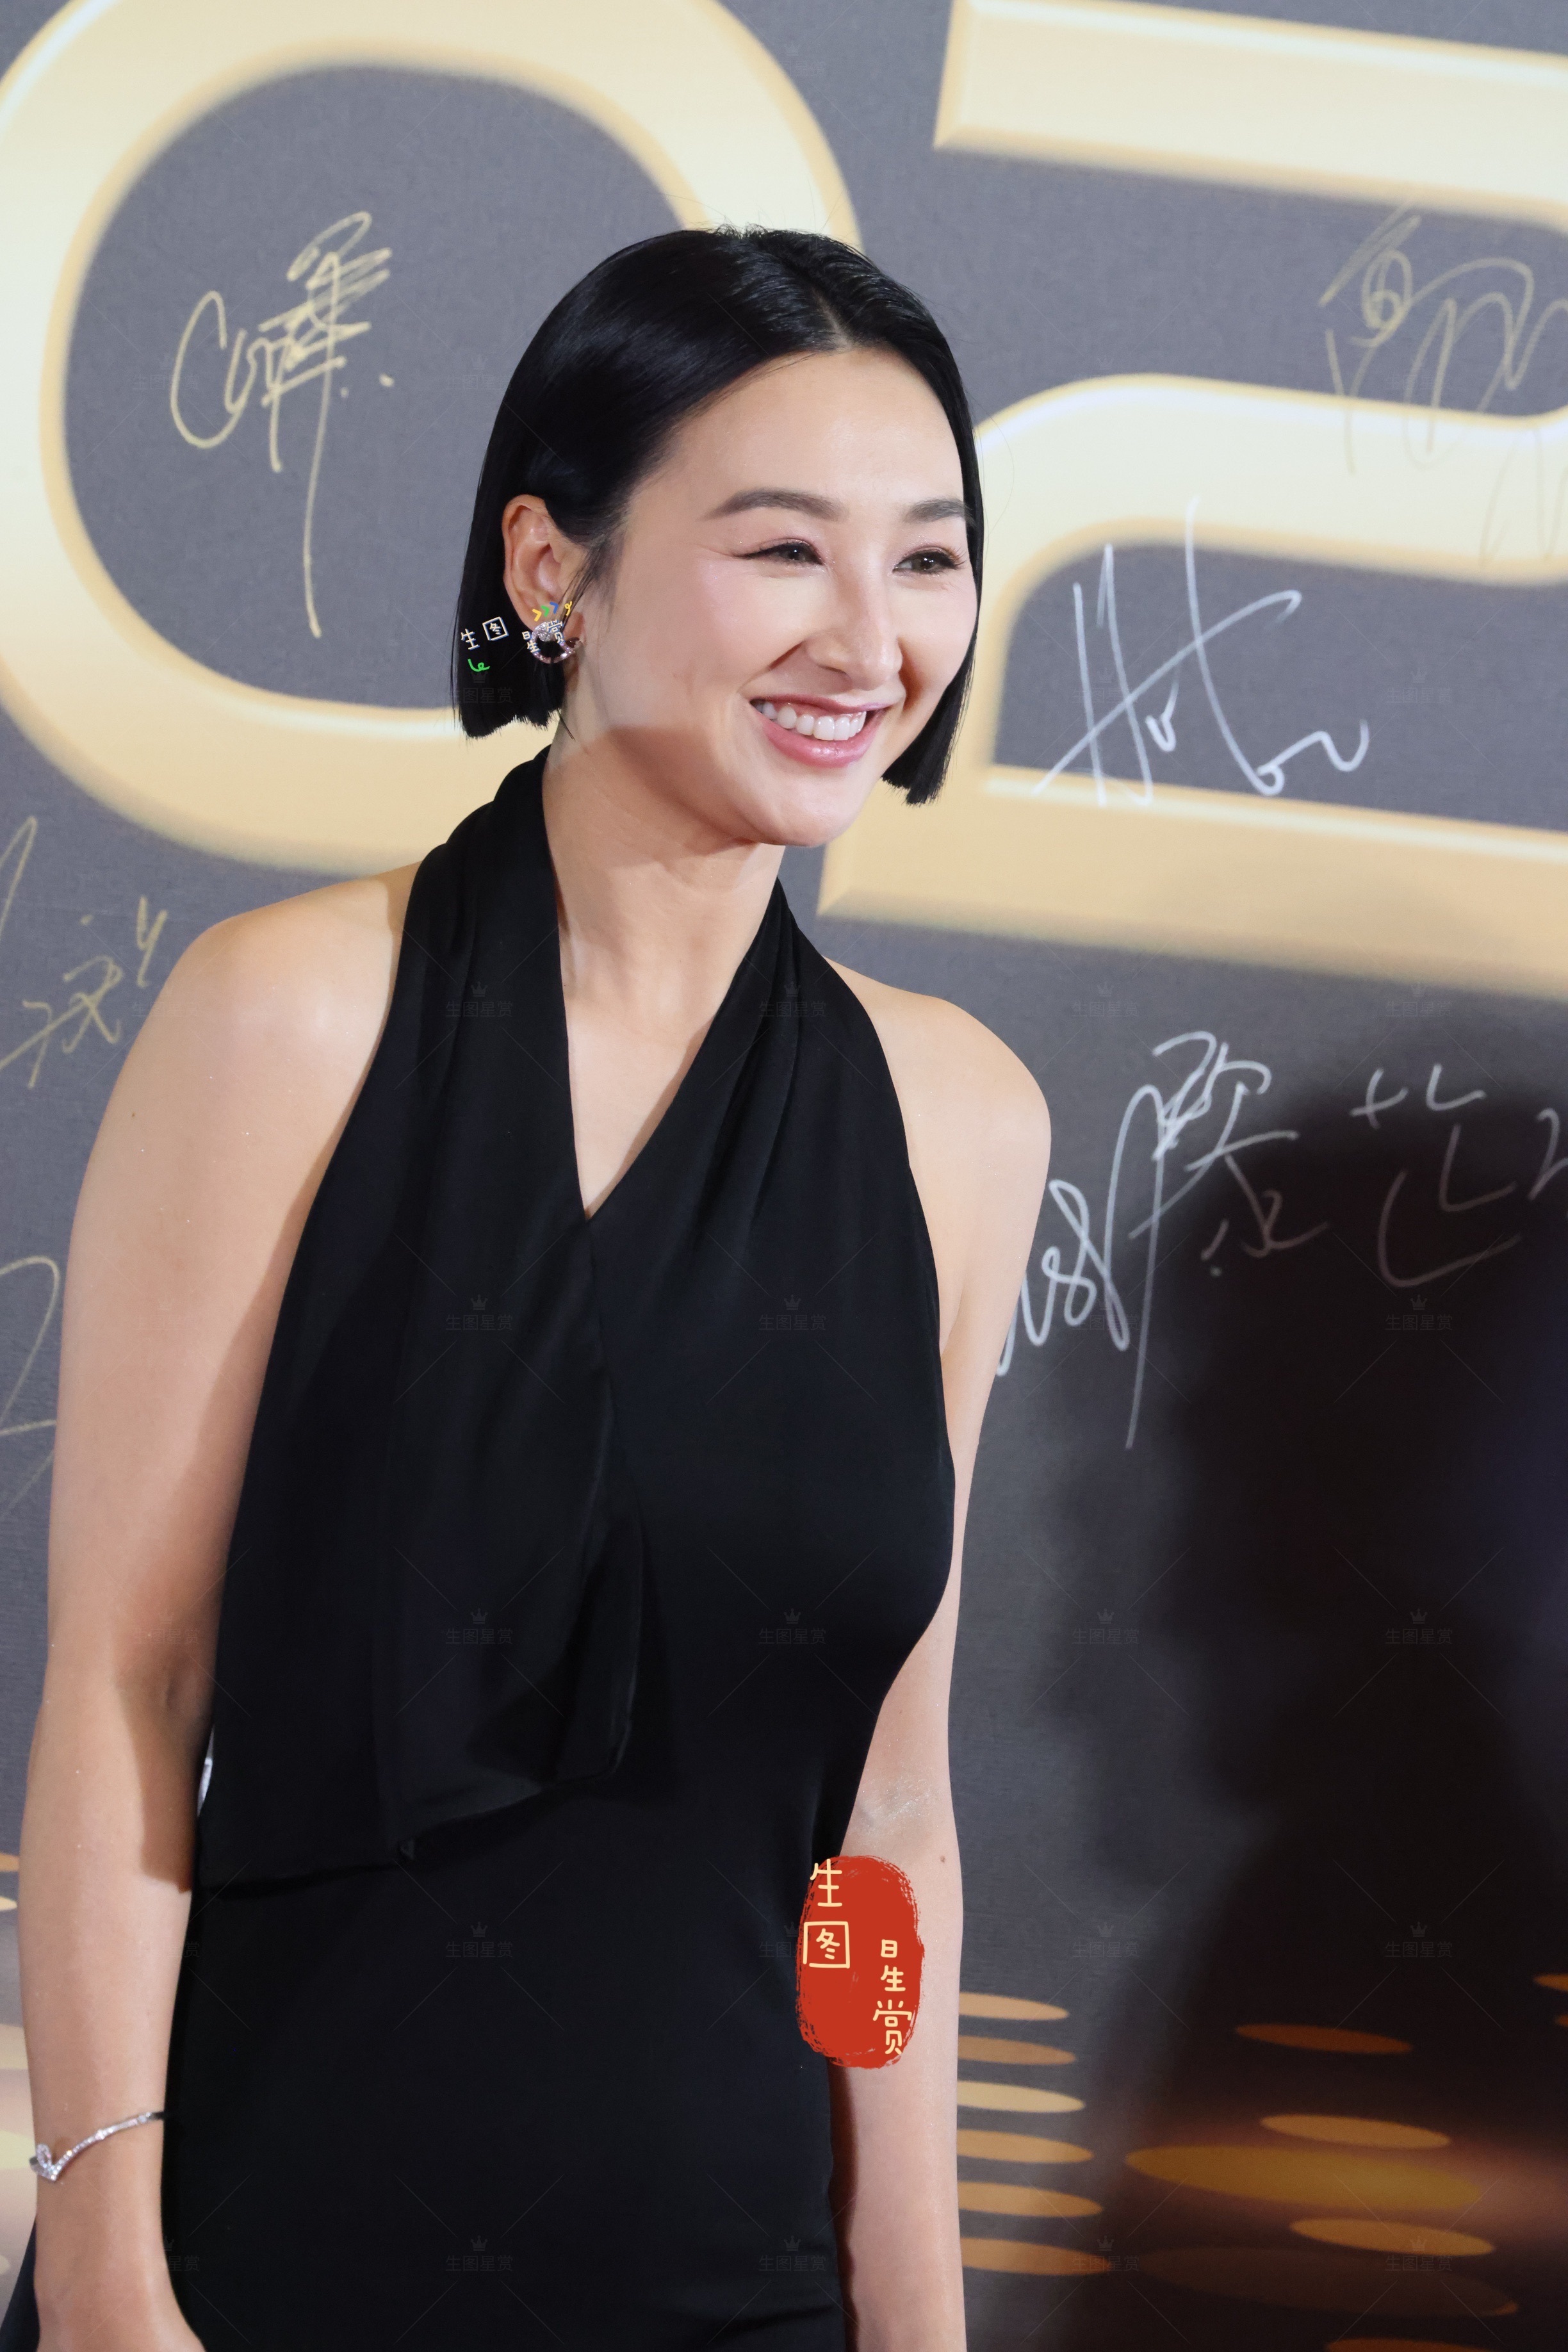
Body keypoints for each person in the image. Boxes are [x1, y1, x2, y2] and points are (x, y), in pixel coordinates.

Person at [3, 227, 1049, 2351]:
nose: (873, 640)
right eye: (786, 550)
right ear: (554, 567)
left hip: (738, 2292)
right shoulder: (293, 1020)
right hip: (274, 2269)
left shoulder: (959, 1121)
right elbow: (131, 1689)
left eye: (929, 560)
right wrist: (111, 2280)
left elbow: (881, 1821)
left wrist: (913, 2309)